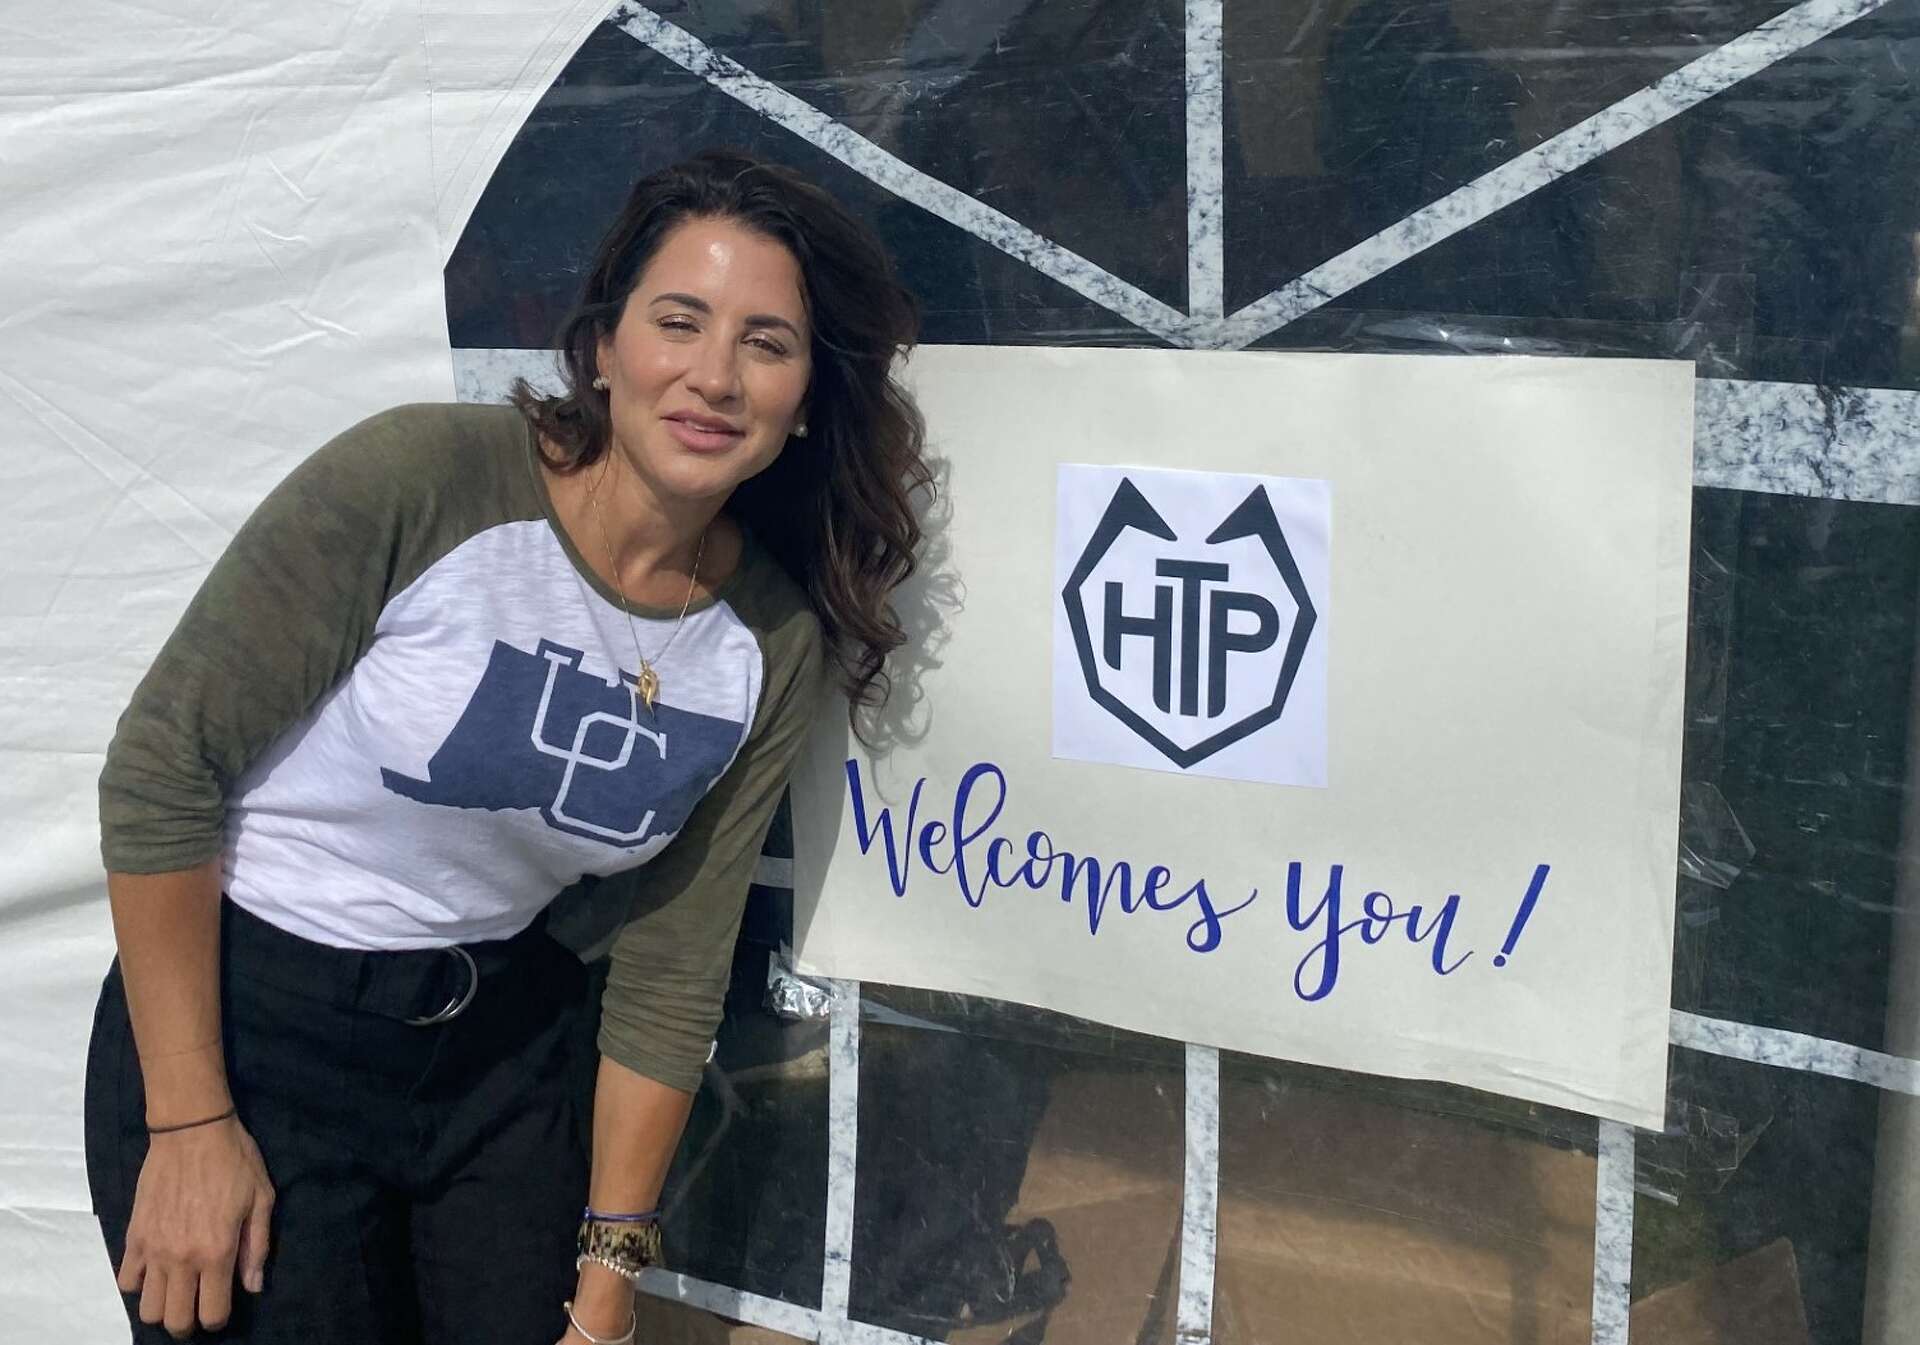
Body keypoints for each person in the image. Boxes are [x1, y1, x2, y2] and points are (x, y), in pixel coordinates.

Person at [85, 148, 932, 1344]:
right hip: (250, 1028)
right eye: (678, 321)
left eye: (766, 343)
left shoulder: (769, 638)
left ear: (804, 400)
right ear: (601, 346)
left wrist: (608, 1285)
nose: (712, 376)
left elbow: (672, 967)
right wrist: (185, 1125)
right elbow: (164, 769)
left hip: (499, 1063)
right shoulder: (424, 479)